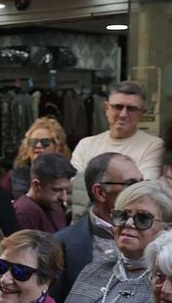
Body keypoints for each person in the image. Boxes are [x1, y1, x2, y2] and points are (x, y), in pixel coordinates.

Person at [64, 179, 172, 303]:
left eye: (143, 218)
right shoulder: (93, 270)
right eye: (122, 215)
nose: (128, 223)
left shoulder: (170, 283)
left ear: (168, 229)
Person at [54, 152, 143, 302]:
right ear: (100, 192)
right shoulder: (63, 244)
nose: (140, 191)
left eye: (142, 183)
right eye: (131, 184)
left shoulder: (156, 233)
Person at [69, 81, 166, 214]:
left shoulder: (153, 145)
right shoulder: (86, 145)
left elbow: (141, 190)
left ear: (142, 113)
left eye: (131, 109)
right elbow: (74, 187)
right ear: (107, 108)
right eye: (118, 107)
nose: (123, 114)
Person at [3, 117, 71, 199]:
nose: (38, 146)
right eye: (33, 142)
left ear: (57, 146)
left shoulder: (69, 176)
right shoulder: (13, 176)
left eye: (45, 142)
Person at [13, 153, 74, 233]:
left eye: (67, 190)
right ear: (36, 185)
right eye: (56, 190)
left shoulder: (55, 207)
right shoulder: (25, 214)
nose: (64, 197)